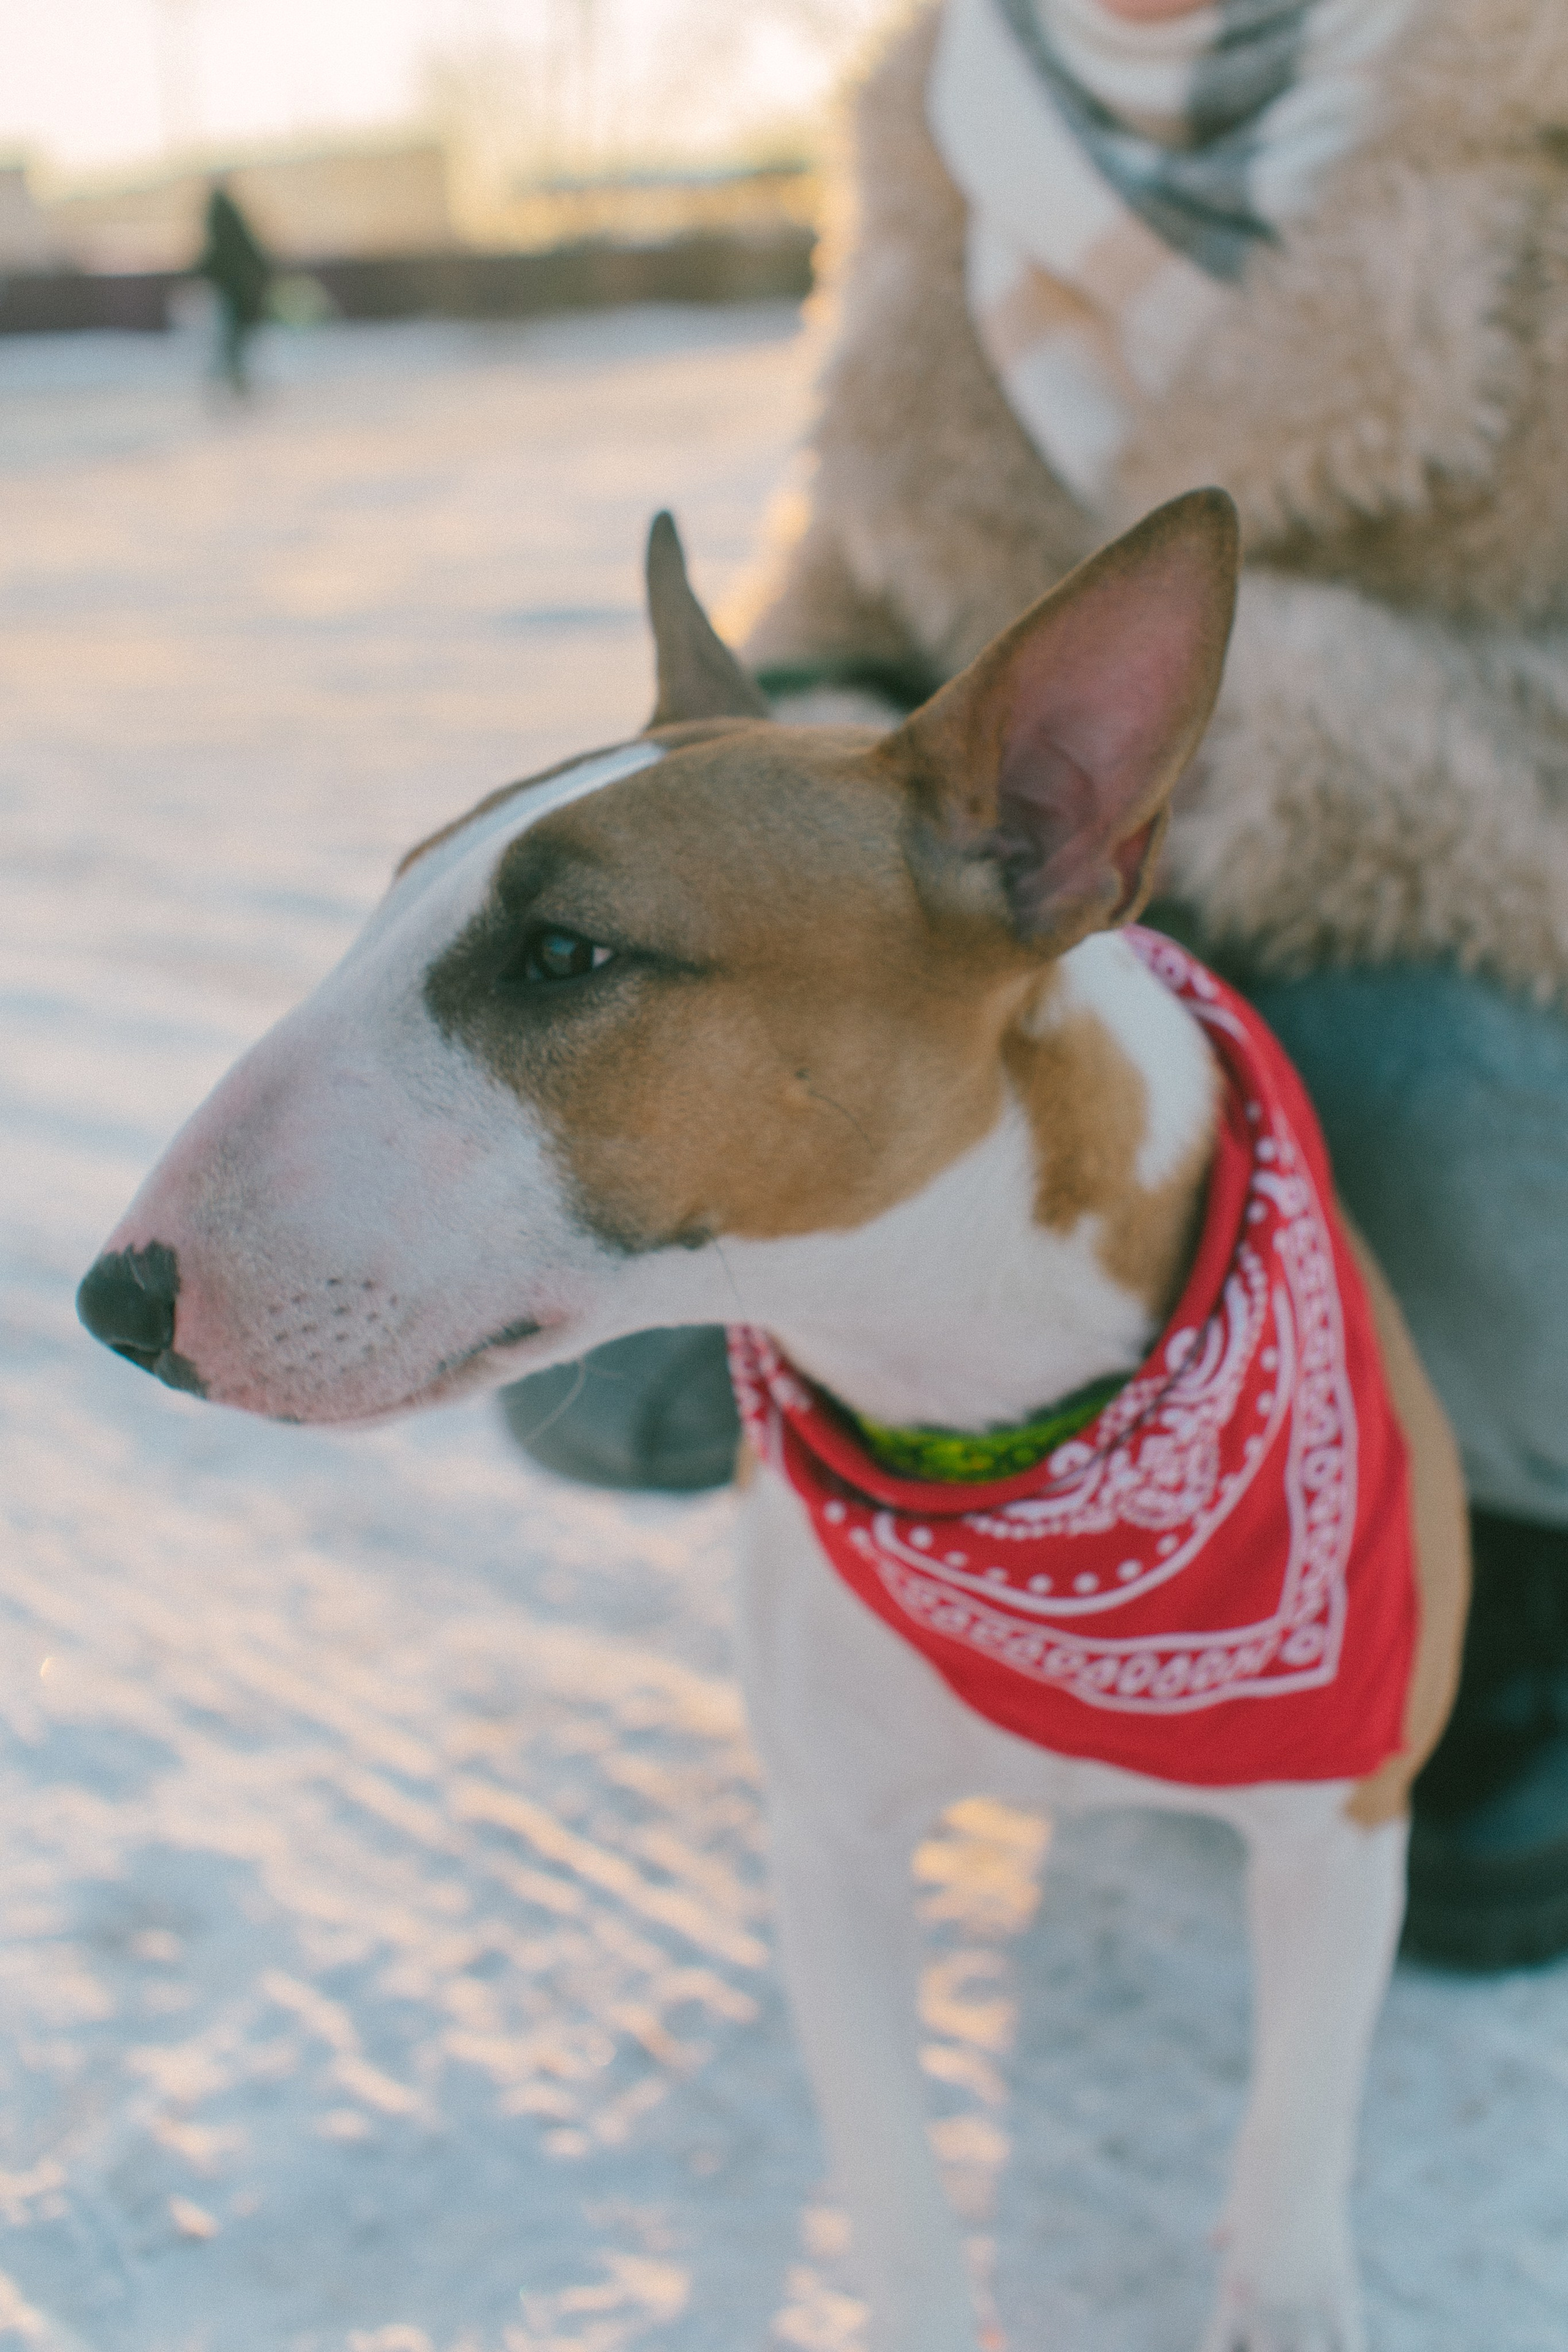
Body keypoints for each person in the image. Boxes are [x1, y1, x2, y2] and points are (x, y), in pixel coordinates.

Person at [503, 0, 1568, 1972]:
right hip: (1029, 904)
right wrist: (822, 859)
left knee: (1417, 1134)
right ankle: (1038, 1567)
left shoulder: (1513, 91)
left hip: (1481, 909)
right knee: (622, 1346)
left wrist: (1227, 741)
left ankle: (1474, 1559)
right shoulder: (943, 131)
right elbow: (838, 617)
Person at [194, 180, 271, 394]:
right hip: (239, 300)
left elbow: (211, 263)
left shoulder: (223, 243)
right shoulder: (238, 239)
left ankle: (234, 386)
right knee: (234, 345)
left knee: (231, 345)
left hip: (234, 300)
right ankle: (237, 386)